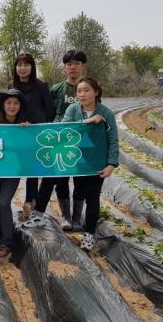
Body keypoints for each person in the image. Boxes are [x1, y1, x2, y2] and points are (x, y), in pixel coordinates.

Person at [26, 78, 118, 251]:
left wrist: (111, 164)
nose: (82, 94)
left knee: (92, 198)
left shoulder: (106, 113)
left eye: (86, 90)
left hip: (93, 161)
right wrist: (85, 123)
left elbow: (113, 139)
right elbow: (64, 130)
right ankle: (38, 214)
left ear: (96, 92)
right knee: (49, 178)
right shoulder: (73, 109)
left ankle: (89, 234)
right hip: (71, 156)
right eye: (79, 91)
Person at [24, 50, 88, 230]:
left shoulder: (88, 88)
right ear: (65, 67)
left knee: (80, 179)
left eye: (76, 63)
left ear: (83, 66)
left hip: (82, 139)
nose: (72, 67)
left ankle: (77, 218)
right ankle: (65, 216)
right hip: (58, 141)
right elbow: (46, 112)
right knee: (57, 178)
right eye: (69, 64)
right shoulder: (56, 89)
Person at [0, 89, 30, 261]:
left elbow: (30, 148)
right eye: (8, 103)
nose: (12, 106)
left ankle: (7, 242)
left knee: (3, 203)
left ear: (21, 106)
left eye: (16, 103)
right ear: (2, 105)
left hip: (12, 172)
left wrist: (28, 132)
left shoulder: (24, 125)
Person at [10, 52, 55, 218]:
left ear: (32, 67)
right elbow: (10, 107)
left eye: (26, 65)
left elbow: (49, 111)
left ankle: (31, 202)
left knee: (36, 168)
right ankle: (29, 201)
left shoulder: (41, 86)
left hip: (37, 133)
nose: (22, 68)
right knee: (23, 166)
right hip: (19, 132)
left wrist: (36, 126)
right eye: (19, 65)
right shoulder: (12, 86)